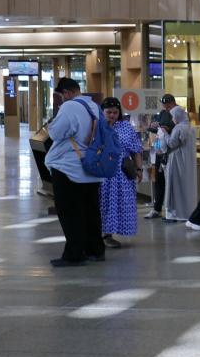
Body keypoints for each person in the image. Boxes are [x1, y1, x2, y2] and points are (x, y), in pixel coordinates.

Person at [43, 78, 105, 266]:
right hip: (92, 166)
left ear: (66, 93)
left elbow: (55, 133)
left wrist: (52, 123)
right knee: (91, 211)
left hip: (69, 168)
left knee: (70, 212)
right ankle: (95, 250)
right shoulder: (94, 106)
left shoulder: (69, 107)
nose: (61, 100)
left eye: (61, 96)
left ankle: (74, 254)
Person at [99, 96, 142, 248]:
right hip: (102, 171)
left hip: (122, 172)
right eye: (109, 112)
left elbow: (136, 149)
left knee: (119, 204)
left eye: (115, 112)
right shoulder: (96, 126)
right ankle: (101, 234)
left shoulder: (126, 126)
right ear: (102, 112)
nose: (112, 115)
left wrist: (138, 169)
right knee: (103, 202)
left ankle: (109, 234)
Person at [160, 106, 198, 223]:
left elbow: (171, 143)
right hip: (188, 162)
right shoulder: (191, 128)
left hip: (177, 161)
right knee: (187, 187)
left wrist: (165, 133)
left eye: (173, 116)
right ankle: (188, 212)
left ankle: (176, 214)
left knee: (175, 187)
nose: (172, 119)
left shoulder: (178, 128)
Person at [145, 93, 177, 219]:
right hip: (160, 151)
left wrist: (163, 127)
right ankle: (157, 208)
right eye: (164, 105)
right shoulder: (163, 113)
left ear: (172, 103)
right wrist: (152, 126)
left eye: (168, 105)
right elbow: (158, 130)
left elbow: (172, 129)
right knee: (158, 180)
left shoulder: (178, 113)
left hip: (171, 152)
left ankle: (172, 209)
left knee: (171, 181)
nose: (166, 107)